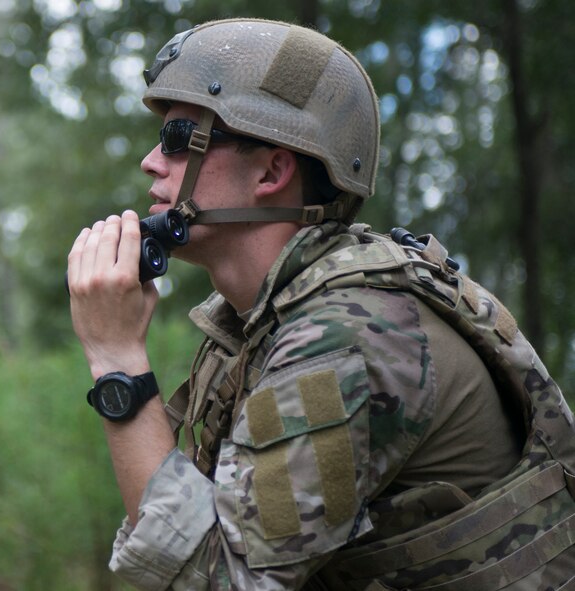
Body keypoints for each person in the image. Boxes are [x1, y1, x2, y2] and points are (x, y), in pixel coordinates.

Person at [66, 18, 575, 590]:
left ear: (272, 171)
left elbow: (222, 581)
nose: (151, 161)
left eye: (180, 138)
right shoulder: (266, 318)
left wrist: (116, 359)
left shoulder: (350, 334)